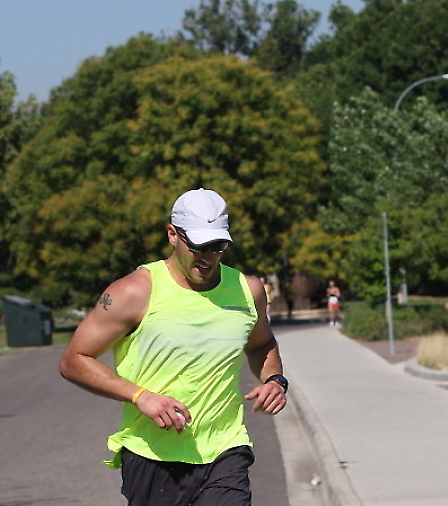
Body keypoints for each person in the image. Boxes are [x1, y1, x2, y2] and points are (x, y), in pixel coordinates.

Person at [60, 188, 288, 506]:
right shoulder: (134, 292)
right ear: (172, 235)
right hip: (153, 455)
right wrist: (141, 396)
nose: (207, 256)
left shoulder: (247, 290)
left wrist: (275, 380)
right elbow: (74, 360)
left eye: (218, 246)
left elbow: (262, 345)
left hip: (225, 449)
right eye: (198, 245)